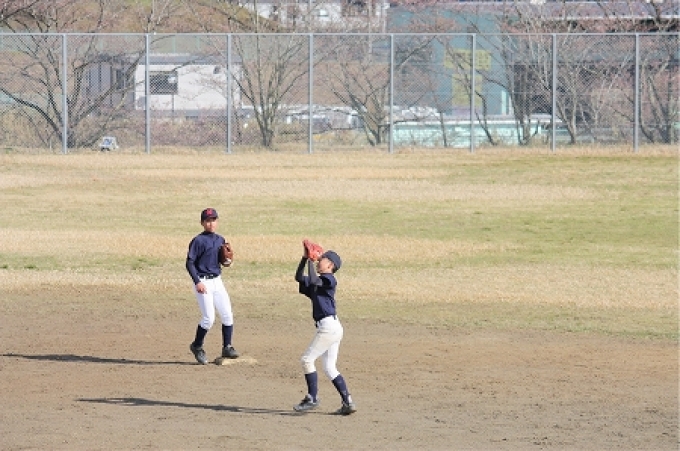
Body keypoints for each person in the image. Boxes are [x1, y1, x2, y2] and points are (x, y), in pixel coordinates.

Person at [293, 247, 357, 415]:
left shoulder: (330, 280)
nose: (318, 260)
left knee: (307, 360)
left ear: (330, 265)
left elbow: (315, 280)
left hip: (329, 328)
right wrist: (305, 258)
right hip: (332, 328)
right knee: (329, 368)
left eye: (322, 259)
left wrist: (310, 261)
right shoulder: (318, 281)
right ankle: (348, 402)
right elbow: (299, 277)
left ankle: (312, 398)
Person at [186, 208, 239, 364]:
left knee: (227, 314)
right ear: (202, 223)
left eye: (213, 220)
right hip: (203, 282)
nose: (211, 223)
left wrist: (227, 261)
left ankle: (227, 347)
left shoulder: (220, 239)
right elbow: (189, 263)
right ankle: (197, 346)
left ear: (217, 221)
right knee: (209, 318)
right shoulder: (198, 241)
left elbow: (220, 260)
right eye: (208, 221)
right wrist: (197, 282)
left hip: (217, 281)